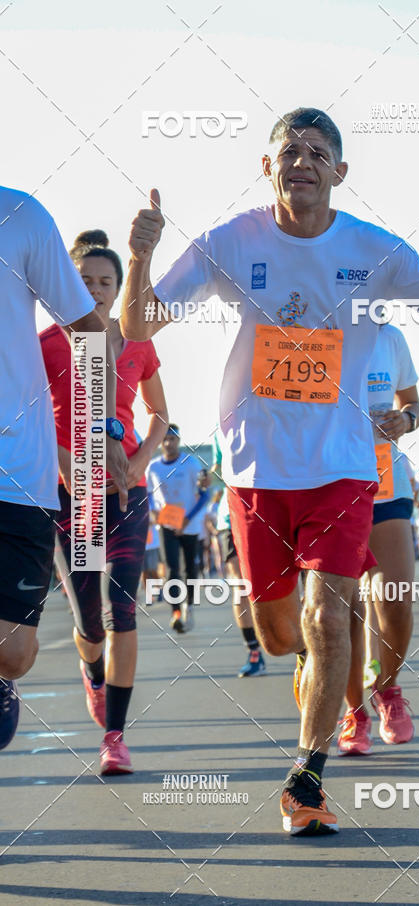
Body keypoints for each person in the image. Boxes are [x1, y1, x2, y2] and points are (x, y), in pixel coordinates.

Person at [120, 106, 419, 835]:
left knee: (328, 618)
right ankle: (310, 676)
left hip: (343, 469)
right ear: (268, 168)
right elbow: (138, 324)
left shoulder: (374, 252)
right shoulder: (232, 241)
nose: (303, 162)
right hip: (257, 469)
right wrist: (139, 256)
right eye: (289, 150)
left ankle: (307, 777)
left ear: (340, 173)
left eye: (318, 152)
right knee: (283, 633)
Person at [0, 188, 128, 751]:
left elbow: (91, 335)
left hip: (20, 471)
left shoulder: (22, 217)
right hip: (50, 471)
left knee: (14, 652)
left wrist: (104, 430)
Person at [40, 229, 168, 774]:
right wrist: (68, 467)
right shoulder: (46, 344)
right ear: (66, 284)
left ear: (119, 290)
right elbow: (30, 425)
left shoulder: (138, 343)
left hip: (127, 493)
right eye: (85, 281)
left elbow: (161, 418)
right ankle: (93, 672)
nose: (95, 291)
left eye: (106, 283)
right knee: (90, 624)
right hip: (74, 498)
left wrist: (138, 466)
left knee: (122, 611)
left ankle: (115, 736)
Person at [337, 323, 419, 756]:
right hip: (329, 478)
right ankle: (355, 712)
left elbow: (414, 405)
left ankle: (387, 690)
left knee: (395, 598)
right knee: (344, 608)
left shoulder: (390, 338)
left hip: (385, 478)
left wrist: (405, 419)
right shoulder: (312, 327)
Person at [210, 431, 267, 677]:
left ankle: (301, 647)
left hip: (266, 511)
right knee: (239, 585)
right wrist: (211, 473)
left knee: (276, 584)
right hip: (229, 515)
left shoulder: (269, 415)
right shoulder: (220, 428)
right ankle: (254, 651)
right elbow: (218, 465)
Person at [147, 426, 207, 633]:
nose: (168, 443)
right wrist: (153, 513)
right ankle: (176, 611)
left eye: (172, 439)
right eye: (165, 439)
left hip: (189, 525)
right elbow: (147, 495)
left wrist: (188, 520)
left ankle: (188, 604)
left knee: (189, 568)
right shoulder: (153, 468)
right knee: (171, 569)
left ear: (178, 440)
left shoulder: (190, 463)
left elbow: (204, 495)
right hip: (166, 524)